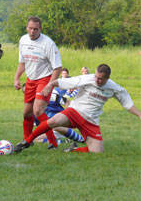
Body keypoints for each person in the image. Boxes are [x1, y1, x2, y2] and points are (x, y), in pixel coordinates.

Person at [15, 64, 141, 153]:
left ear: (107, 78)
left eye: (100, 78)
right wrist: (51, 85)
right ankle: (27, 141)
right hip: (74, 111)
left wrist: (139, 115)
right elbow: (67, 82)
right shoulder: (88, 79)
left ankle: (72, 150)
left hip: (91, 120)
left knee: (97, 152)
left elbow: (127, 104)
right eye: (96, 76)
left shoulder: (115, 88)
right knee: (53, 121)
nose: (96, 79)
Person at [13, 16, 62, 152]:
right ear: (26, 27)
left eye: (35, 29)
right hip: (31, 80)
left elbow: (57, 68)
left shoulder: (48, 44)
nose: (32, 31)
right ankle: (27, 138)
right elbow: (22, 62)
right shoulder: (23, 40)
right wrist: (17, 78)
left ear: (40, 29)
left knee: (38, 110)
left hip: (45, 79)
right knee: (26, 113)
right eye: (30, 28)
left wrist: (49, 85)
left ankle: (52, 142)